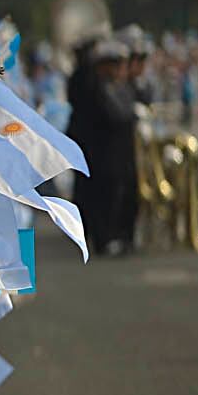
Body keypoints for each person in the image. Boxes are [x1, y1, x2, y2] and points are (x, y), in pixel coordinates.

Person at [68, 38, 139, 254]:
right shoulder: (94, 86)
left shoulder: (118, 87)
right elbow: (115, 115)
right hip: (101, 153)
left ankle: (117, 234)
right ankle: (104, 237)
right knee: (101, 196)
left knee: (117, 195)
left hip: (116, 153)